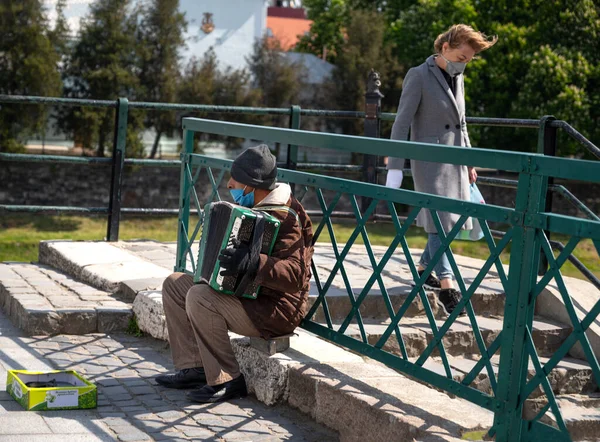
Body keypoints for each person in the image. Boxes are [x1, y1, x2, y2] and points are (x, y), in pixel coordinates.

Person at [156, 144, 314, 403]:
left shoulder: (288, 218)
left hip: (274, 309)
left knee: (199, 296)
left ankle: (228, 380)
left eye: (237, 182)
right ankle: (194, 368)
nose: (230, 185)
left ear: (253, 186)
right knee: (175, 284)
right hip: (248, 295)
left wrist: (255, 263)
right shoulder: (253, 208)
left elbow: (295, 276)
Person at [387, 24, 497, 315]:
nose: (464, 64)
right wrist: (395, 166)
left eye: (468, 60)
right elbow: (401, 123)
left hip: (456, 162)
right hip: (430, 164)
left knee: (449, 222)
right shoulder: (418, 75)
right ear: (445, 47)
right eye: (461, 57)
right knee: (441, 220)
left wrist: (470, 163)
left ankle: (423, 269)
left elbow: (462, 125)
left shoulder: (457, 77)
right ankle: (448, 287)